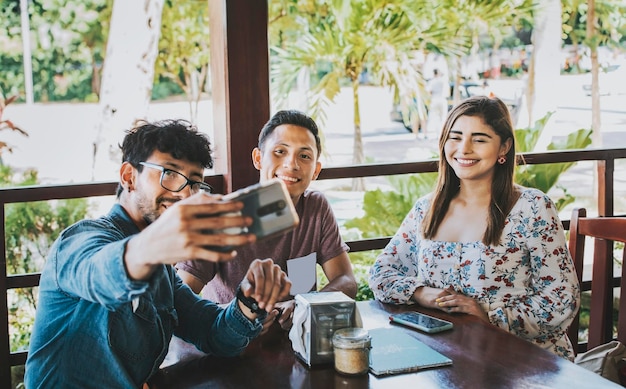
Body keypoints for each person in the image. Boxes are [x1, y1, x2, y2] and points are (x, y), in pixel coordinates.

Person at [24, 119, 291, 388]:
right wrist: (153, 245)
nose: (184, 193)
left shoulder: (163, 272)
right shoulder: (81, 240)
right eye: (170, 173)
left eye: (195, 183)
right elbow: (101, 274)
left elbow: (213, 332)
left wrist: (249, 301)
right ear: (129, 177)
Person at [368, 96, 580, 361]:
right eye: (455, 137)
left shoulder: (532, 207)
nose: (464, 149)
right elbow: (380, 273)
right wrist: (421, 293)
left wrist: (488, 315)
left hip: (522, 362)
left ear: (504, 147)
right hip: (443, 356)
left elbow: (561, 300)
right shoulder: (427, 208)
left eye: (479, 139)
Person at [176, 109, 357, 332]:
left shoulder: (315, 208)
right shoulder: (224, 216)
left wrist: (304, 305)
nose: (292, 164)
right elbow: (182, 299)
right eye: (280, 151)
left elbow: (346, 280)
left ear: (316, 170)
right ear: (258, 159)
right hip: (230, 345)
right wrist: (240, 317)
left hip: (297, 341)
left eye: (304, 156)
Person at [425, 68, 449, 139]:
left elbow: (429, 92)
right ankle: (442, 133)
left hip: (434, 100)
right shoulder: (442, 80)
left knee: (435, 118)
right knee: (443, 117)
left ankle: (437, 133)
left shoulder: (431, 82)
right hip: (442, 99)